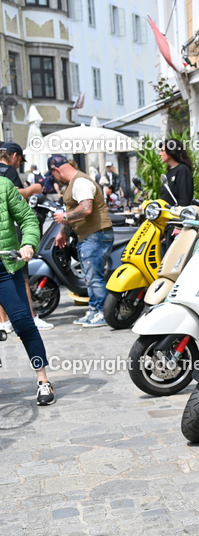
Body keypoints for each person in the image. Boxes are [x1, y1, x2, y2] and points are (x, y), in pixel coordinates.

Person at [0, 175, 55, 405]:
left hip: (5, 266)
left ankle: (43, 380)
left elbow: (29, 220)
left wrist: (28, 244)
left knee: (23, 323)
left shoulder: (3, 186)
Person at [49, 154, 114, 327]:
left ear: (56, 170)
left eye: (53, 175)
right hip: (89, 235)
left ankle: (102, 313)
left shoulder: (81, 182)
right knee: (90, 276)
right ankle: (94, 310)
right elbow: (74, 212)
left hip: (96, 234)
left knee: (94, 276)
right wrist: (63, 231)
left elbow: (85, 208)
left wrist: (65, 216)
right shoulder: (74, 183)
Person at [0, 143, 51, 332]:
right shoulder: (9, 171)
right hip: (11, 231)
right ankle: (30, 317)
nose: (19, 163)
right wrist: (32, 190)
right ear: (14, 156)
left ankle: (4, 321)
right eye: (20, 159)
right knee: (22, 275)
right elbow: (16, 195)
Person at [158, 139, 194, 207]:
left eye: (162, 151)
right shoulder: (170, 171)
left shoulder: (182, 170)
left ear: (171, 151)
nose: (160, 154)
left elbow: (184, 199)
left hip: (176, 215)